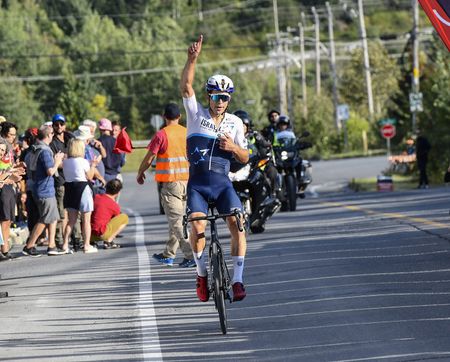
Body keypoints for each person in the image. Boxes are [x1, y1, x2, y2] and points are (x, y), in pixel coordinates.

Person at [180, 34, 249, 302]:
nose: (220, 101)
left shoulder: (235, 124)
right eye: (216, 96)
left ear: (229, 99)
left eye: (225, 97)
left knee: (238, 224)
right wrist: (192, 59)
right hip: (198, 183)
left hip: (222, 184)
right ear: (209, 96)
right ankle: (201, 274)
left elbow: (245, 158)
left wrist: (234, 148)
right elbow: (186, 86)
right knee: (197, 229)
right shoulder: (195, 114)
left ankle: (238, 281)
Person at [136, 103, 194, 267]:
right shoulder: (187, 132)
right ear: (179, 117)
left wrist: (140, 173)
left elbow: (149, 158)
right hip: (187, 182)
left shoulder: (161, 135)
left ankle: (190, 255)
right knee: (177, 219)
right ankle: (169, 254)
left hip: (171, 183)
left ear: (164, 117)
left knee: (177, 222)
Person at [22, 125, 65, 257]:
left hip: (38, 188)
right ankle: (29, 245)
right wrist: (57, 161)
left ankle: (51, 245)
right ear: (48, 135)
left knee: (52, 217)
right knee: (45, 218)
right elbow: (50, 171)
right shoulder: (45, 151)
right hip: (44, 189)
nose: (53, 135)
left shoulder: (34, 149)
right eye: (52, 133)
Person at [62, 134, 101, 254]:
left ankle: (64, 245)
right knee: (86, 219)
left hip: (69, 188)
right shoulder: (83, 161)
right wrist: (93, 165)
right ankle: (86, 245)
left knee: (71, 220)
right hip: (82, 188)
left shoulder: (65, 162)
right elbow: (89, 176)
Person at [49, 114, 74, 248]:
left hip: (72, 179)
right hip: (60, 180)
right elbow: (55, 162)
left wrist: (66, 160)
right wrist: (69, 161)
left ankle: (71, 238)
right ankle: (59, 240)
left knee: (73, 211)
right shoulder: (52, 142)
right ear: (53, 126)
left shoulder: (70, 138)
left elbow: (77, 155)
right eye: (56, 124)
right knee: (61, 211)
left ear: (65, 125)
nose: (59, 126)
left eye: (61, 124)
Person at [0, 122, 19, 259]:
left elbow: (9, 167)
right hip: (3, 184)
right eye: (10, 135)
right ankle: (3, 248)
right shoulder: (2, 146)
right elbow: (3, 169)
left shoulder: (10, 147)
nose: (12, 137)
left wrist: (16, 169)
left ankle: (4, 247)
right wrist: (8, 175)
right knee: (4, 217)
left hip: (9, 184)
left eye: (14, 135)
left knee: (8, 218)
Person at [91, 179, 128, 249]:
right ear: (118, 192)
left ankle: (91, 242)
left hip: (89, 234)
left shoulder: (96, 197)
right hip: (101, 234)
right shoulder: (114, 205)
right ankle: (109, 241)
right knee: (124, 217)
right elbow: (115, 221)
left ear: (106, 188)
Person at [98, 118, 125, 183]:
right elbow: (122, 162)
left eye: (116, 130)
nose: (113, 132)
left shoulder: (99, 141)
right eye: (112, 130)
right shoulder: (118, 143)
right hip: (115, 174)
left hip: (104, 174)